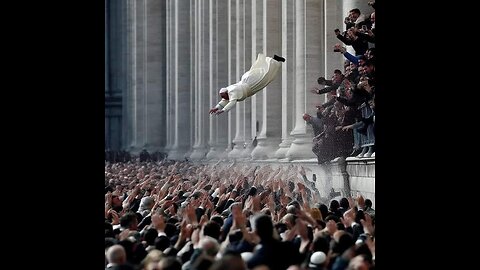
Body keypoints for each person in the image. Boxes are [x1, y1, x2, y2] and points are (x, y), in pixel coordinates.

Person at [209, 53, 285, 115]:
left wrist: (223, 110)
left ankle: (274, 60)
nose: (224, 98)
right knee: (264, 74)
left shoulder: (232, 91)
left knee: (266, 77)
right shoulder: (228, 91)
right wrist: (217, 107)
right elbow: (225, 100)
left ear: (226, 93)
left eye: (224, 96)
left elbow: (232, 102)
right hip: (247, 81)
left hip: (251, 84)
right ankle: (274, 61)